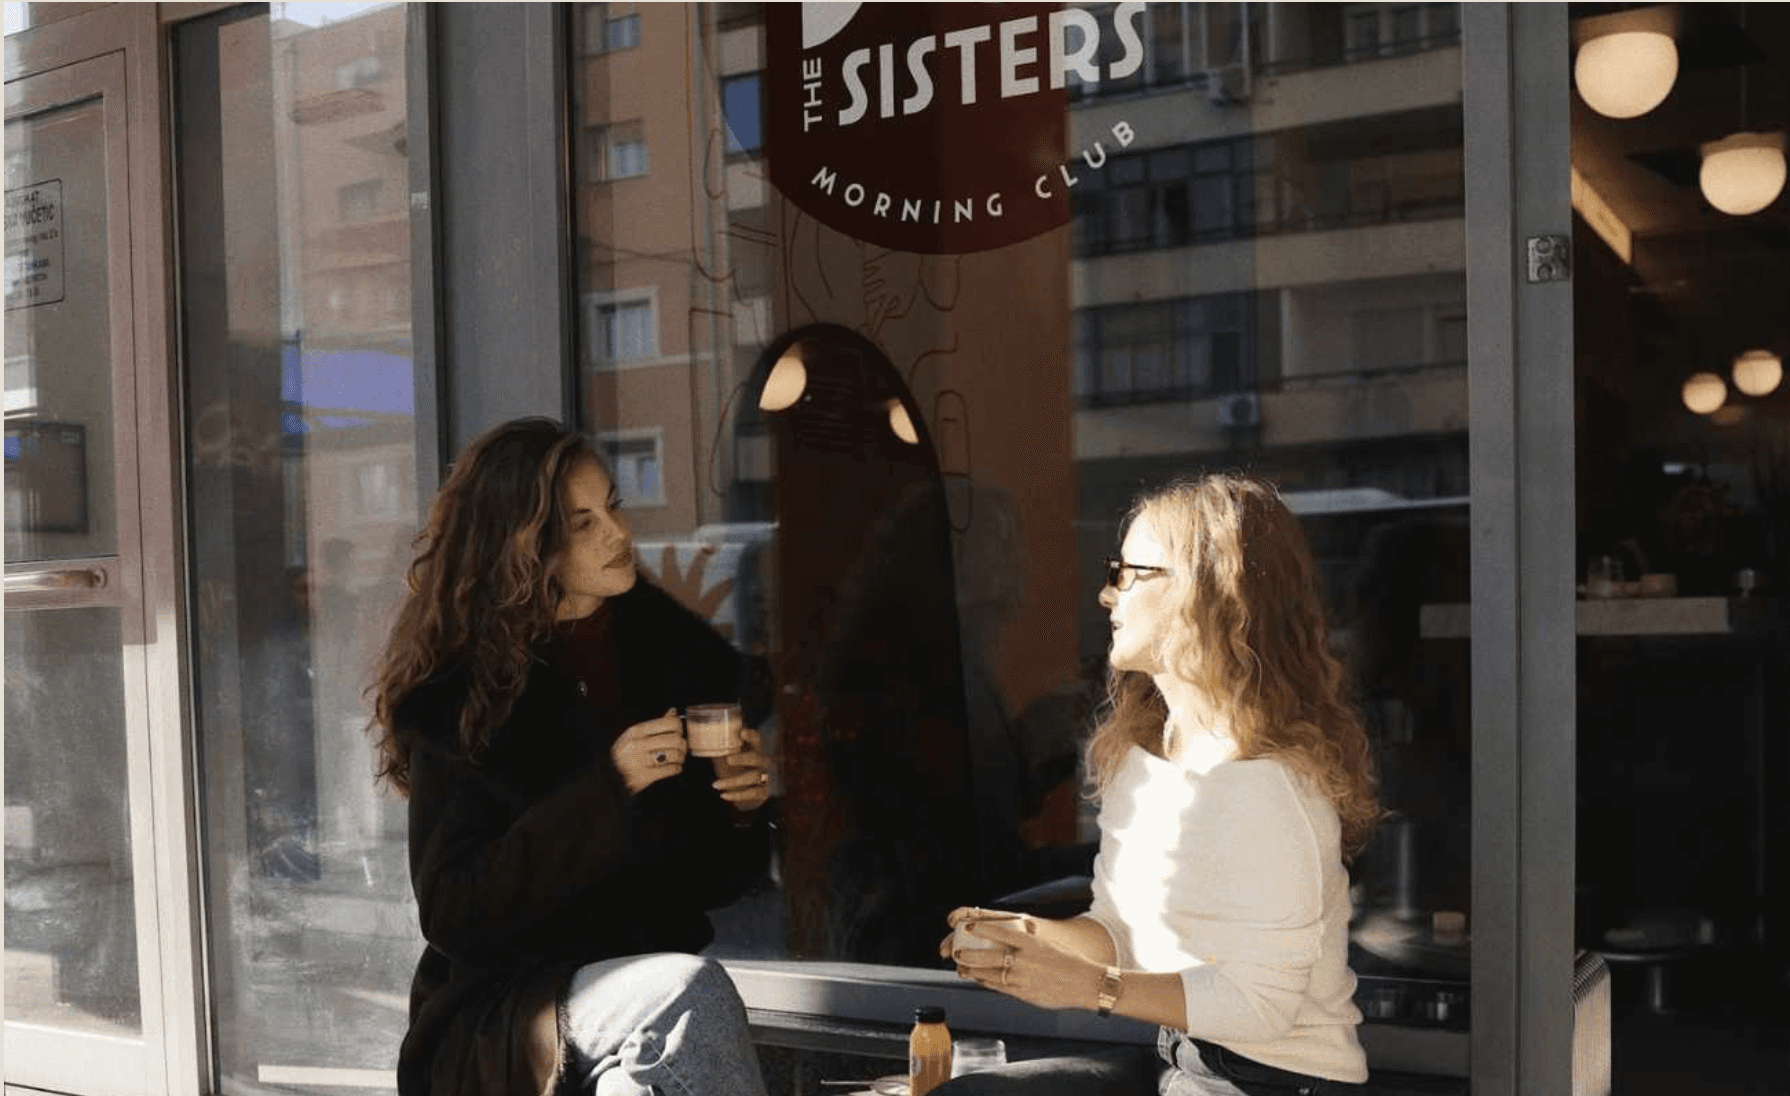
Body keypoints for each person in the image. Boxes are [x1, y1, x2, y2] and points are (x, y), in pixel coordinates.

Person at [368, 418, 775, 1096]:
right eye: (582, 524)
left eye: (612, 505)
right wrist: (609, 788)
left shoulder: (657, 660)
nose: (619, 533)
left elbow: (704, 886)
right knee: (687, 993)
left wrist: (739, 810)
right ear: (529, 549)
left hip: (629, 1007)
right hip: (510, 1009)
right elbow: (454, 912)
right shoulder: (464, 697)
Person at [938, 474, 1380, 1096]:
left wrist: (1089, 988)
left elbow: (1261, 1006)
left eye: (1127, 572)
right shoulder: (1147, 758)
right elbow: (1118, 932)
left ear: (1206, 596)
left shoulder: (1266, 785)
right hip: (1182, 1066)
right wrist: (1027, 940)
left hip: (1275, 1082)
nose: (1105, 594)